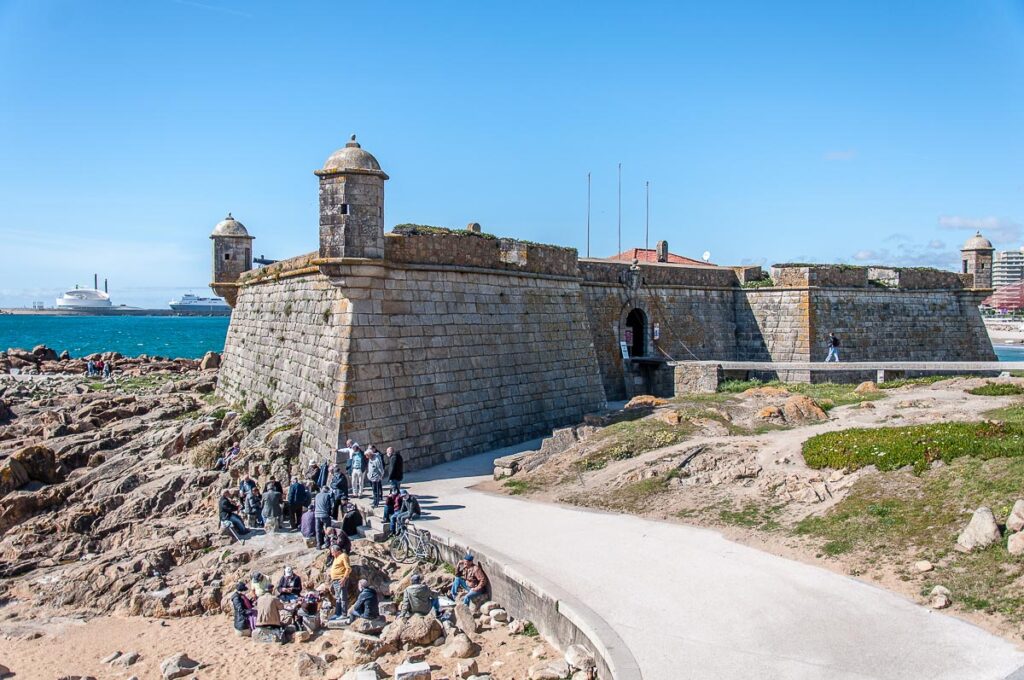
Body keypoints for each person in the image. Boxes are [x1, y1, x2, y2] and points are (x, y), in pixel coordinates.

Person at [328, 544, 351, 621]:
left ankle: (344, 614)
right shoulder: (336, 557)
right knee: (338, 598)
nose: (331, 554)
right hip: (335, 580)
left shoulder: (343, 556)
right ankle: (338, 613)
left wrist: (344, 579)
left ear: (337, 551)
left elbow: (348, 568)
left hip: (341, 579)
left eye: (332, 552)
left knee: (342, 597)